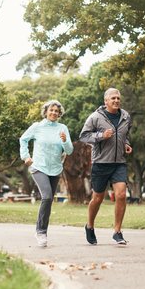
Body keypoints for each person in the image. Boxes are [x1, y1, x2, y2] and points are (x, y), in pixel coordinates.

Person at [79, 88, 132, 245]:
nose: (116, 100)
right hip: (101, 164)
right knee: (98, 199)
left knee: (121, 195)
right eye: (113, 98)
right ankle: (89, 226)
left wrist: (127, 143)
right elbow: (84, 136)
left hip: (119, 163)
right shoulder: (95, 117)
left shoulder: (125, 116)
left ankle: (117, 232)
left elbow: (125, 133)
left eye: (118, 98)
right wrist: (101, 136)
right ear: (106, 100)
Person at [20, 100, 73, 247]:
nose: (54, 113)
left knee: (48, 201)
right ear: (46, 112)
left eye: (56, 111)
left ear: (59, 113)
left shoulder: (63, 128)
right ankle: (41, 232)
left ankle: (41, 230)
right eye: (51, 110)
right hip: (39, 167)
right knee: (47, 196)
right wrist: (26, 156)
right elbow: (23, 139)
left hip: (55, 169)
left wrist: (65, 141)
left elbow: (69, 150)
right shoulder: (37, 127)